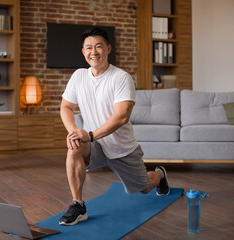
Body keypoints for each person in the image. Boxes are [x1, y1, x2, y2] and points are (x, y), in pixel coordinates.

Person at [59, 27, 170, 226]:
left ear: (108, 49)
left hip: (122, 149)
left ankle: (160, 174)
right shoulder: (78, 76)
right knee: (73, 146)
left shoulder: (121, 78)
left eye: (99, 46)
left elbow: (121, 117)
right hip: (95, 144)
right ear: (83, 52)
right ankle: (78, 205)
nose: (94, 52)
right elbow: (65, 106)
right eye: (89, 48)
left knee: (143, 188)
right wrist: (74, 132)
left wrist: (90, 135)